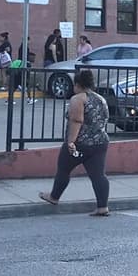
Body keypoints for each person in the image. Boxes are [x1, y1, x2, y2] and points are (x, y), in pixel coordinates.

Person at [38, 69, 110, 216]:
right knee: (98, 175)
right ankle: (102, 206)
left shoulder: (78, 99)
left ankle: (54, 197)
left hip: (81, 143)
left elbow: (76, 121)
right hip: (100, 142)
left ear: (77, 84)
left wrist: (71, 142)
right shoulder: (100, 99)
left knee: (64, 168)